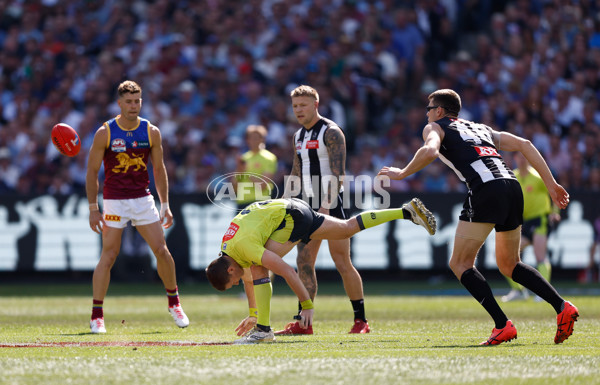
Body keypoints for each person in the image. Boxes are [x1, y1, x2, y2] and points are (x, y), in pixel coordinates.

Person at [378, 89, 579, 345]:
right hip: (512, 185)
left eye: (429, 109)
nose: (426, 114)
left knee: (460, 263)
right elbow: (525, 145)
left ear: (439, 111)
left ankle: (501, 325)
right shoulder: (480, 128)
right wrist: (551, 185)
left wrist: (402, 173)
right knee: (510, 264)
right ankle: (562, 307)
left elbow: (429, 151)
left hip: (486, 189)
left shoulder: (434, 128)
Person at [205, 197, 436, 344]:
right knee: (347, 228)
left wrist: (306, 306)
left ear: (231, 269)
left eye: (232, 281)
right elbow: (247, 280)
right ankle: (406, 212)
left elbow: (287, 271)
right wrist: (253, 313)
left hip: (290, 217)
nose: (237, 283)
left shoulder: (243, 249)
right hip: (293, 207)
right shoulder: (228, 250)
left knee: (261, 268)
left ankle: (264, 330)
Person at [86, 80, 189, 334]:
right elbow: (91, 172)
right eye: (129, 101)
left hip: (143, 199)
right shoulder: (106, 132)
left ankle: (174, 303)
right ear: (119, 103)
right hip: (114, 201)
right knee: (108, 256)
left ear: (141, 102)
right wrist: (92, 207)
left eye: (137, 101)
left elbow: (159, 169)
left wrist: (165, 203)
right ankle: (97, 315)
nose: (133, 105)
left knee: (162, 251)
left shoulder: (151, 131)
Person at [276, 85, 370, 335]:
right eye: (295, 106)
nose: (298, 110)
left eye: (303, 105)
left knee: (342, 262)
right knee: (304, 261)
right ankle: (303, 323)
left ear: (316, 105)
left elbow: (339, 173)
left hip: (329, 204)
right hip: (305, 205)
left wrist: (326, 205)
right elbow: (296, 171)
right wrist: (284, 202)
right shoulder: (298, 136)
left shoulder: (331, 132)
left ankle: (361, 321)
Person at [501, 152, 560, 302]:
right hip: (524, 222)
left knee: (540, 256)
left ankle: (544, 293)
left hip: (540, 219)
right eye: (519, 157)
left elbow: (555, 192)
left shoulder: (538, 177)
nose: (522, 159)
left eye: (524, 157)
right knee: (506, 256)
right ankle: (519, 291)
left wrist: (555, 212)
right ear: (515, 159)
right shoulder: (513, 176)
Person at [234, 125, 278, 209]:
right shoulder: (244, 158)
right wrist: (239, 172)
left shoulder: (269, 158)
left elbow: (262, 186)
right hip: (242, 203)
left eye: (256, 138)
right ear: (247, 140)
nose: (253, 141)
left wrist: (246, 172)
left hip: (260, 202)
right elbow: (235, 187)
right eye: (251, 138)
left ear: (263, 139)